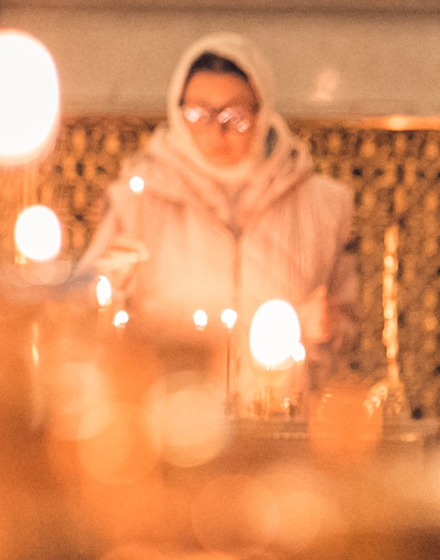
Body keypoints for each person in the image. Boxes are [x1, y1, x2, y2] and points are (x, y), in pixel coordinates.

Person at [75, 33, 356, 370]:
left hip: (278, 409)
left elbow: (350, 331)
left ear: (261, 111)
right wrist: (111, 290)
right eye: (199, 114)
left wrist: (329, 325)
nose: (216, 132)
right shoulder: (140, 200)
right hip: (176, 408)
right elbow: (82, 313)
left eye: (234, 117)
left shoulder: (322, 205)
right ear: (178, 112)